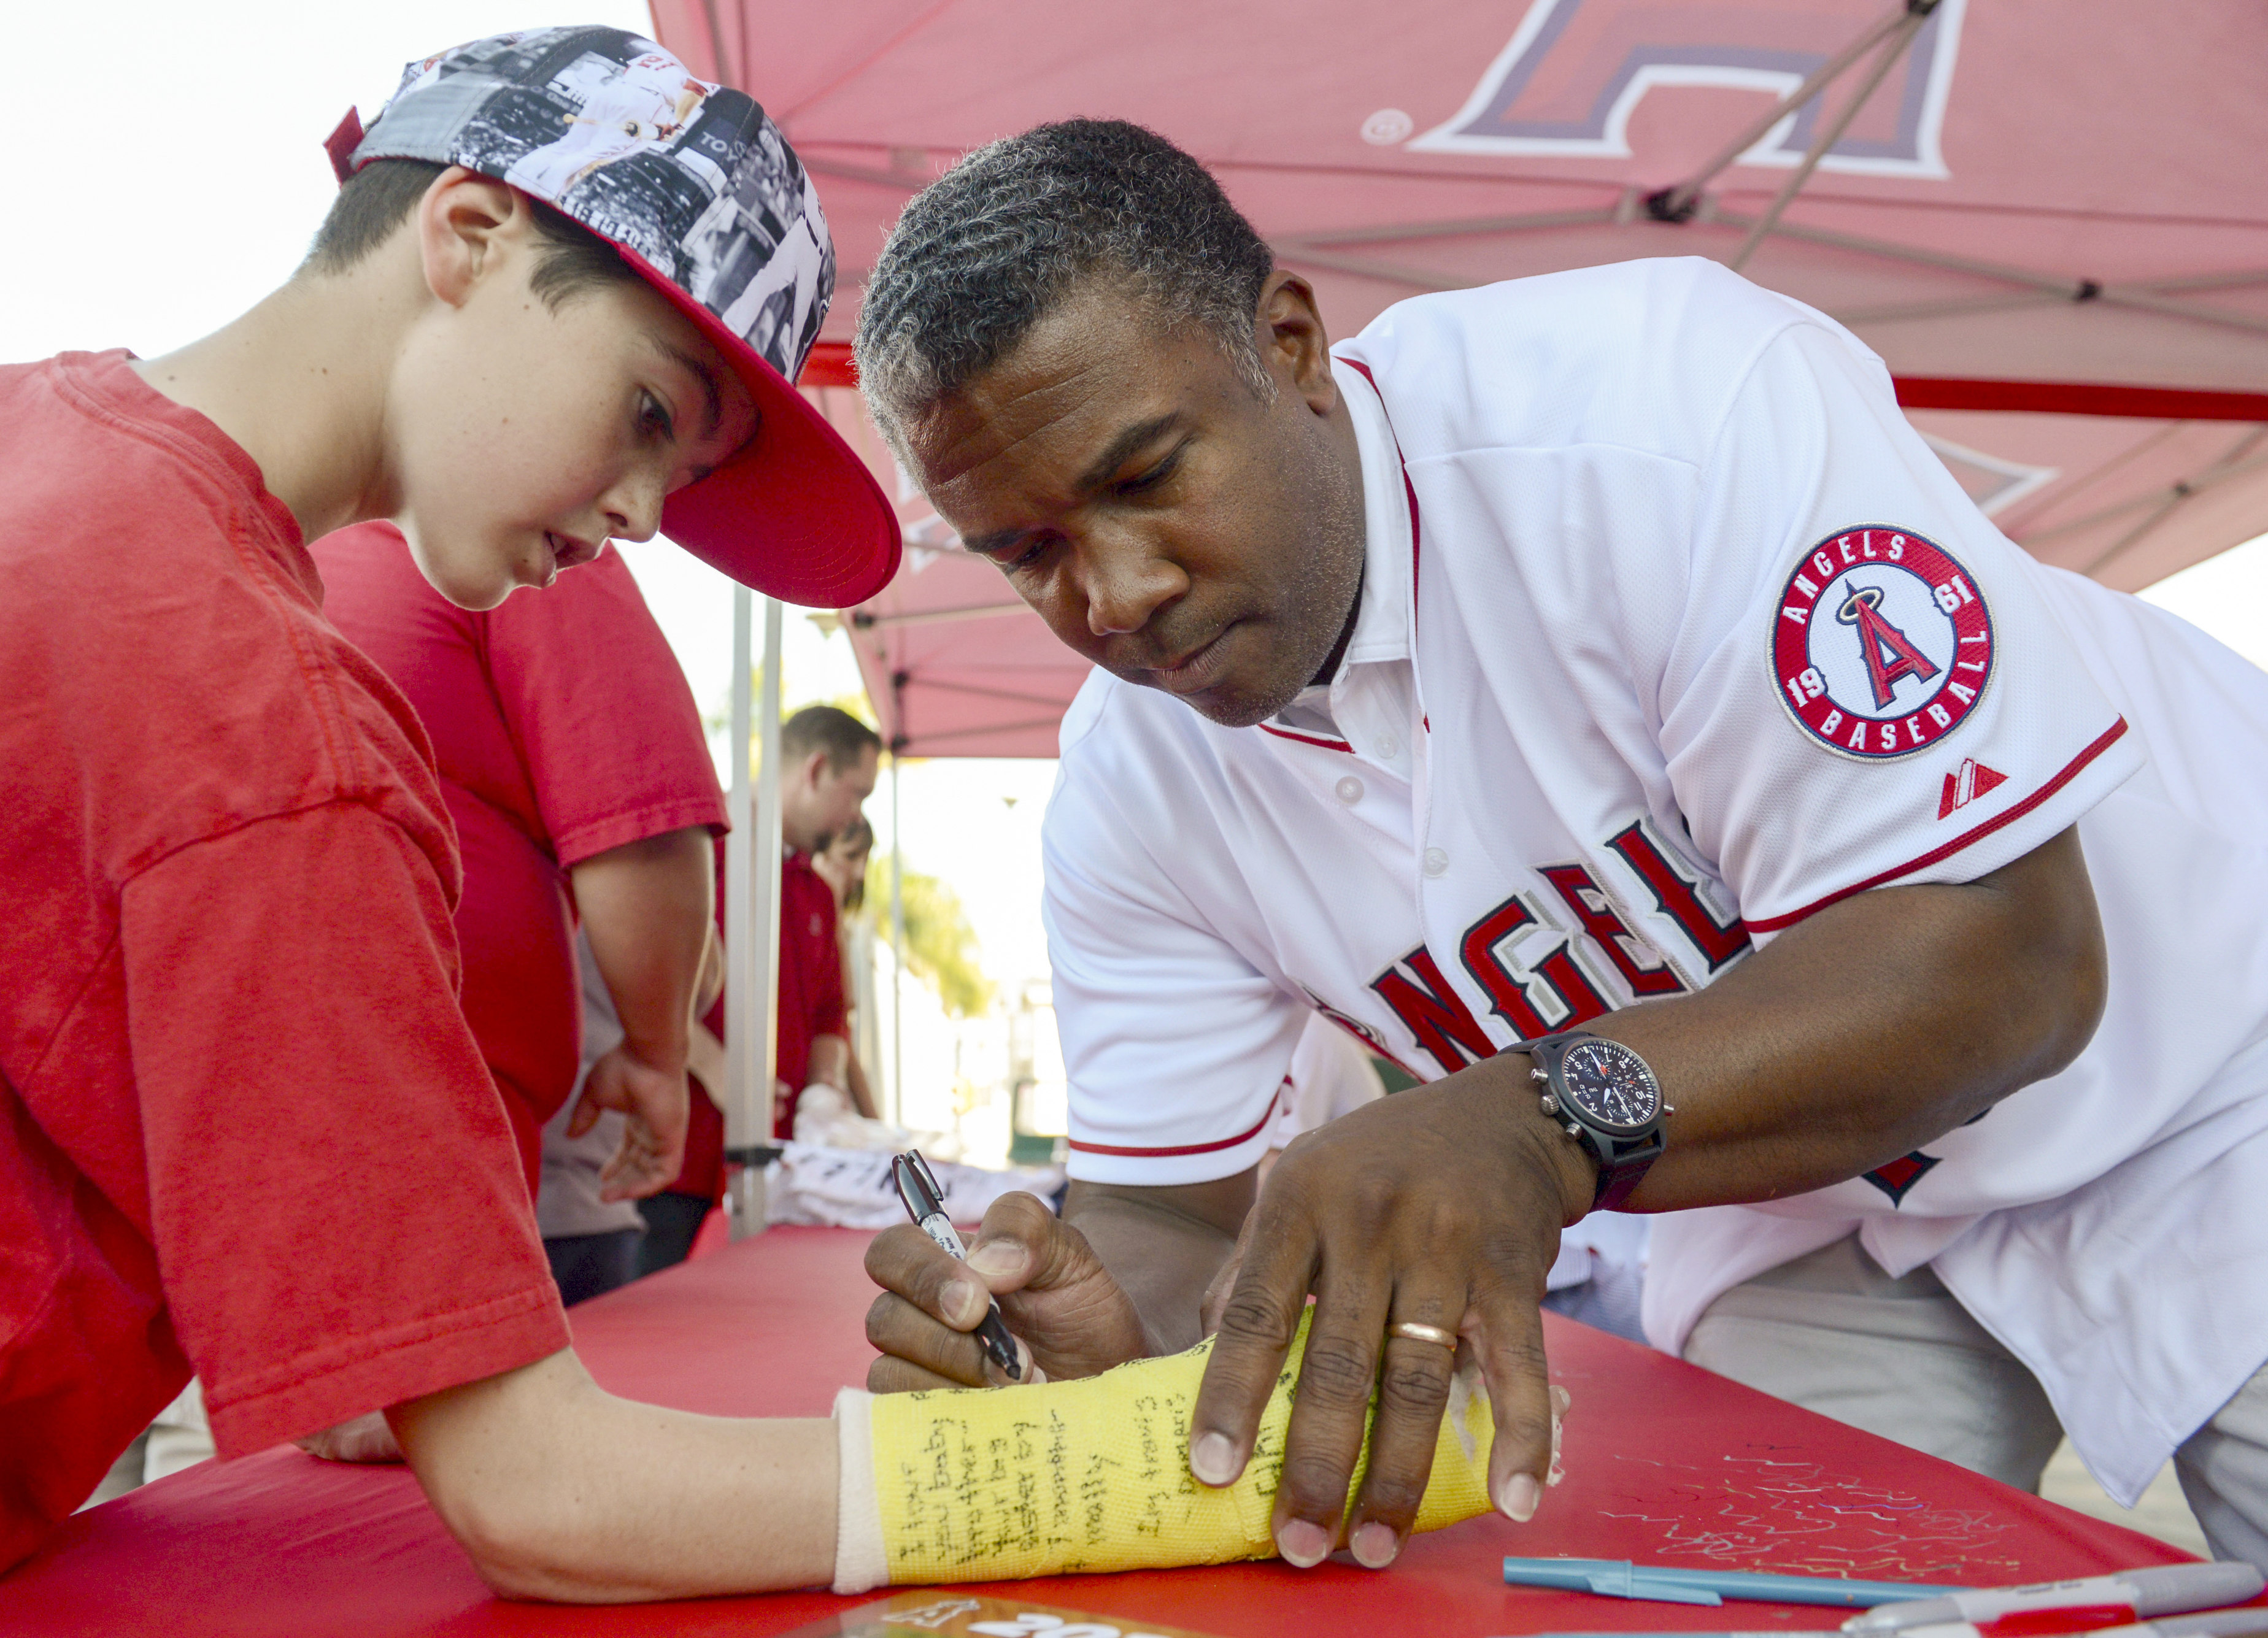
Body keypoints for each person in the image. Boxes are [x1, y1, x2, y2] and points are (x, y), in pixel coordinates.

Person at [847, 118, 2268, 1574]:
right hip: (1808, 1202)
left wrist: (1532, 1116)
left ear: (1288, 344)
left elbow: (2007, 960)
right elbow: (1171, 1204)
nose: (1116, 594)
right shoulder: (1130, 791)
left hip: (2211, 1070)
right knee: (1709, 1603)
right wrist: (1104, 1325)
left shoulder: (1660, 412)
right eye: (1026, 553)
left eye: (1145, 474)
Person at [0, 28, 902, 1621]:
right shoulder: (277, 733)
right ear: (470, 234)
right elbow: (543, 1495)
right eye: (656, 415)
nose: (646, 517)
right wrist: (1056, 1467)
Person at [312, 518, 725, 1307]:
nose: (637, 511)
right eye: (651, 419)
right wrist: (655, 1053)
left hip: (257, 1154)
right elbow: (643, 833)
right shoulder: (529, 537)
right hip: (433, 1155)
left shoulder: (258, 543)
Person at [645, 705, 882, 1272]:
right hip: (678, 1163)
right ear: (816, 769)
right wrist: (715, 1068)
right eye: (856, 794)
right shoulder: (697, 848)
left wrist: (823, 1092)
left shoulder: (816, 892)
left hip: (786, 1173)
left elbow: (830, 1016)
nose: (854, 816)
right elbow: (641, 977)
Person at [816, 815, 888, 1121]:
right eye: (850, 856)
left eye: (865, 860)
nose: (860, 873)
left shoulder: (843, 926)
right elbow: (844, 1005)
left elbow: (841, 1020)